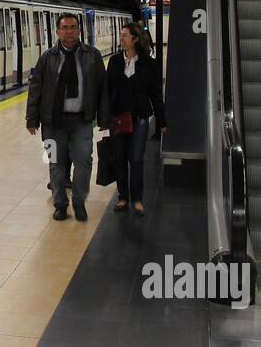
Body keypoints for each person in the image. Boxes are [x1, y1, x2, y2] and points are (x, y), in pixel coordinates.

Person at [25, 13, 109, 222]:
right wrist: (31, 118)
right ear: (57, 31)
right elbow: (36, 89)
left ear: (79, 31)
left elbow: (102, 88)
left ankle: (79, 201)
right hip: (53, 122)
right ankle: (60, 204)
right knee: (55, 163)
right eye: (65, 27)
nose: (69, 31)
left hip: (82, 120)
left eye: (73, 27)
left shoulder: (92, 56)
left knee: (84, 161)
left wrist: (104, 118)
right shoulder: (47, 57)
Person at [105, 26, 167, 217]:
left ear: (135, 40)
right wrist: (103, 117)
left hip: (139, 117)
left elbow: (156, 95)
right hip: (118, 118)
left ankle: (137, 199)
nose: (121, 39)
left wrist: (162, 121)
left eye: (124, 36)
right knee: (119, 158)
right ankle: (123, 196)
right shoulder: (115, 62)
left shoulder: (150, 64)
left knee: (137, 158)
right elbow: (107, 91)